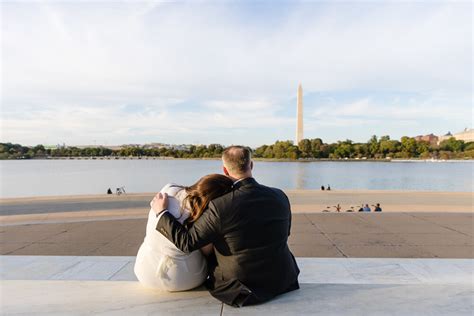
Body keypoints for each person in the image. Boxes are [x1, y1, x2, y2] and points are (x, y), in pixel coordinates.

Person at [151, 146, 300, 307]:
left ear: (225, 170)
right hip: (283, 279)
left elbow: (187, 243)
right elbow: (286, 232)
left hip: (243, 288)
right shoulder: (280, 195)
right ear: (251, 165)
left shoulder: (219, 206)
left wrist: (162, 213)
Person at [134, 174, 233, 291]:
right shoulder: (205, 216)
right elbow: (207, 251)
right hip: (183, 280)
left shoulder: (168, 189)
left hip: (144, 272)